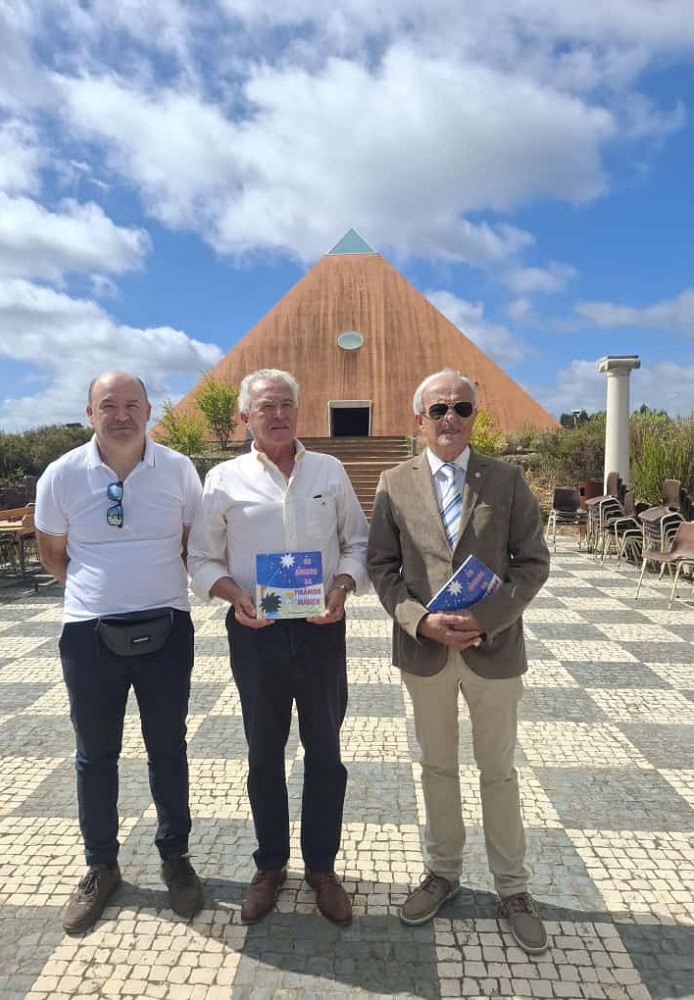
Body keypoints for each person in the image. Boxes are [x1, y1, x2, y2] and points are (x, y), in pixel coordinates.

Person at [366, 369, 550, 954]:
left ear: (475, 415)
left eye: (461, 408)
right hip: (424, 651)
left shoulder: (508, 479)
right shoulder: (393, 483)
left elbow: (532, 562)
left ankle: (512, 888)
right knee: (436, 768)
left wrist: (488, 618)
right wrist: (419, 620)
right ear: (418, 418)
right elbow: (381, 566)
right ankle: (443, 873)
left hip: (493, 650)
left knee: (499, 771)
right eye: (438, 409)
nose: (450, 418)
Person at [188, 368, 368, 926]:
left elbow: (357, 543)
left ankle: (322, 868)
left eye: (286, 404)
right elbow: (201, 558)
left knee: (325, 754)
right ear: (245, 417)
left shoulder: (329, 471)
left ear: (298, 411)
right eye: (266, 406)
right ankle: (269, 866)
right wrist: (234, 595)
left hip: (320, 630)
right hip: (255, 632)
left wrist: (342, 587)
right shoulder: (223, 479)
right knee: (264, 754)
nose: (278, 414)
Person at [35, 370, 204, 934]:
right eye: (109, 405)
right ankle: (101, 866)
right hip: (89, 633)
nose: (122, 415)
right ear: (90, 414)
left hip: (168, 626)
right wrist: (98, 594)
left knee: (168, 749)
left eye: (133, 404)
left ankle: (175, 857)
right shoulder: (62, 474)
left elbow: (191, 543)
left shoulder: (178, 469)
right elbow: (53, 552)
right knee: (94, 754)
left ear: (149, 411)